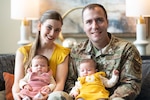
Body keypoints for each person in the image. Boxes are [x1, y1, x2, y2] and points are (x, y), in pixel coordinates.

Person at [65, 3, 142, 100]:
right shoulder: (76, 51)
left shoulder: (127, 49)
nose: (95, 26)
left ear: (107, 22)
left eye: (99, 20)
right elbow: (69, 81)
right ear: (84, 26)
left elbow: (131, 85)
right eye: (89, 22)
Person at [12, 10, 72, 100]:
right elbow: (17, 82)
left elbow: (60, 83)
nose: (52, 33)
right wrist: (17, 96)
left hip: (49, 95)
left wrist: (47, 97)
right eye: (49, 27)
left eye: (57, 30)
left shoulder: (63, 53)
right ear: (39, 26)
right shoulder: (23, 52)